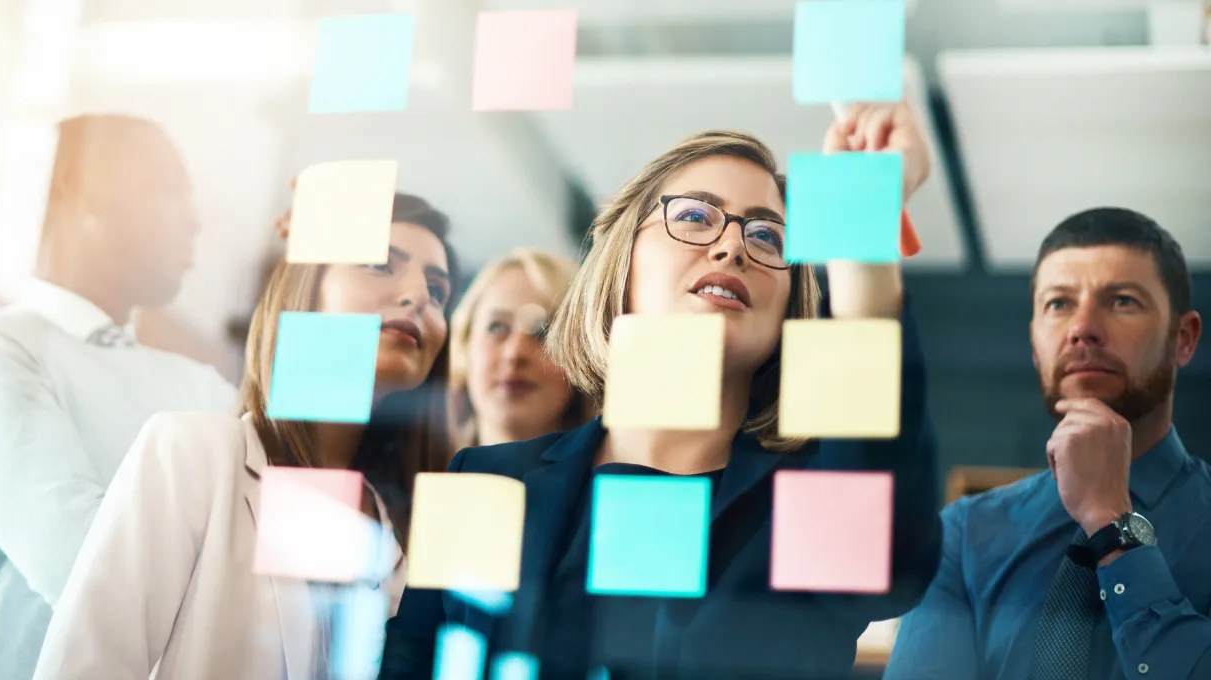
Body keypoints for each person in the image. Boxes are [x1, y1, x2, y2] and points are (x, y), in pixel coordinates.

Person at [380, 101, 943, 679]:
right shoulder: (486, 481)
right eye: (696, 216)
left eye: (768, 237)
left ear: (788, 310)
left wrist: (864, 215)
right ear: (620, 260)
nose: (733, 248)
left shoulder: (804, 500)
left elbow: (892, 555)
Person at [32, 194, 460, 680]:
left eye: (439, 291)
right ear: (307, 289)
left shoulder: (408, 534)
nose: (419, 295)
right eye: (380, 265)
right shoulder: (193, 456)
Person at [0, 114, 236, 680]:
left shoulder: (201, 386)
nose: (195, 218)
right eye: (167, 186)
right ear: (77, 185)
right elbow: (90, 571)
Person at [885, 208, 1209, 680]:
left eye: (1121, 301)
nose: (1083, 328)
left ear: (1183, 338)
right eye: (1059, 304)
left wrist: (1112, 524)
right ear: (1035, 345)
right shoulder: (962, 537)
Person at [447, 248, 589, 450]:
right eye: (496, 327)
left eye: (543, 332)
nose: (514, 353)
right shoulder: (415, 473)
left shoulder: (613, 479)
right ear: (464, 344)